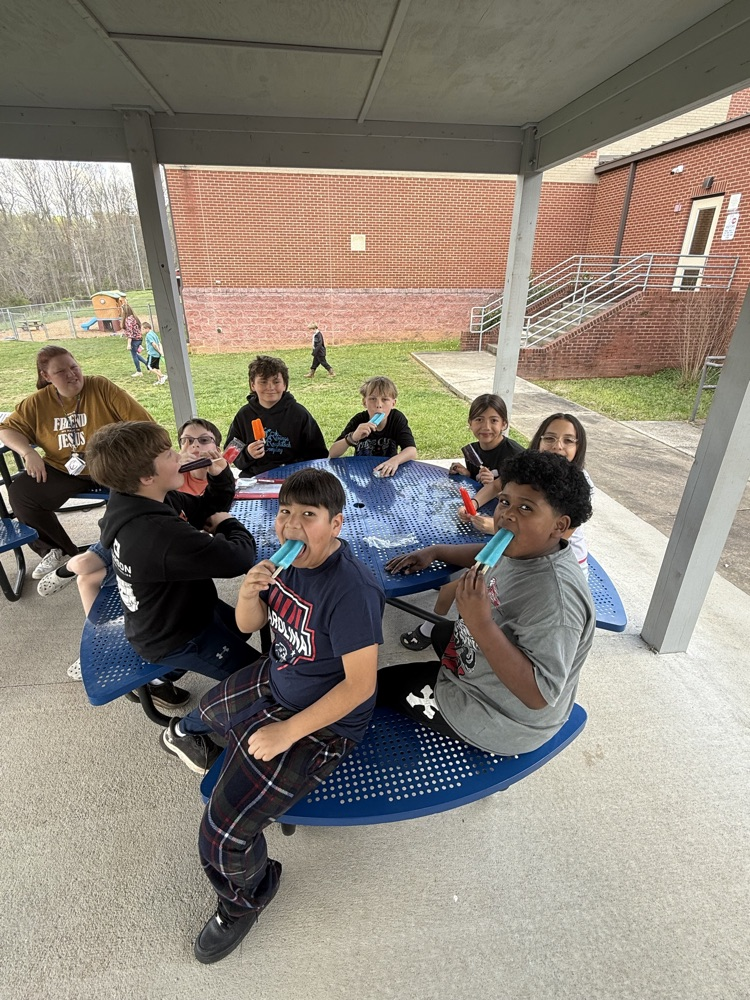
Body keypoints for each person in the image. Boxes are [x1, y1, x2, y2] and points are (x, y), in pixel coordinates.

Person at [161, 468, 385, 965]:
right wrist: (247, 593)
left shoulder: (352, 591)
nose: (292, 525)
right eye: (285, 512)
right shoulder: (281, 565)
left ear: (336, 524)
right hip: (277, 677)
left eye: (309, 515)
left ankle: (246, 899)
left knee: (221, 833)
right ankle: (211, 738)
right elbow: (248, 626)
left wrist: (286, 732)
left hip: (323, 723)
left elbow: (360, 686)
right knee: (206, 712)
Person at [381, 450, 595, 756]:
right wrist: (436, 551)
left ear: (560, 526)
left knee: (381, 684)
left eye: (526, 508)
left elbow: (539, 694)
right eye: (505, 502)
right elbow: (485, 552)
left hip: (503, 718)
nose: (507, 514)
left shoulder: (555, 601)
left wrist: (480, 623)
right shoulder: (524, 547)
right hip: (484, 668)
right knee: (442, 633)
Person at [37, 416, 226, 689]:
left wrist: (217, 475)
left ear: (217, 445)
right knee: (89, 566)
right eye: (185, 442)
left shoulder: (173, 475)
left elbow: (205, 507)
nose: (193, 448)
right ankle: (100, 645)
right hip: (137, 535)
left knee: (89, 574)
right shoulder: (164, 477)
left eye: (204, 440)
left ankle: (101, 643)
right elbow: (225, 553)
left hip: (145, 537)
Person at [86, 421, 259, 709]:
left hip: (183, 609)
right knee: (262, 679)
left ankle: (159, 679)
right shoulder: (156, 534)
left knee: (242, 627)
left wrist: (219, 477)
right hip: (177, 636)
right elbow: (238, 559)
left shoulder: (141, 497)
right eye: (169, 454)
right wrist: (229, 524)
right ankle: (186, 726)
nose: (180, 456)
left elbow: (204, 509)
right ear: (146, 476)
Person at [0, 346, 153, 580]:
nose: (71, 374)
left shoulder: (100, 387)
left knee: (134, 496)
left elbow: (143, 424)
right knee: (22, 493)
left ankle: (121, 551)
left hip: (109, 464)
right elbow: (7, 429)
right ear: (46, 376)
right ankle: (57, 550)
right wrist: (28, 452)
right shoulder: (38, 402)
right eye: (61, 371)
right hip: (64, 468)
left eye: (74, 367)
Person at [401, 393, 523, 649]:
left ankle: (428, 630)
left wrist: (493, 520)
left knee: (453, 587)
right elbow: (489, 486)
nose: (486, 426)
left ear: (505, 424)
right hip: (485, 521)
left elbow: (507, 491)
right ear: (470, 423)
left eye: (494, 420)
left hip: (505, 535)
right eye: (479, 419)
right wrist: (470, 483)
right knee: (448, 538)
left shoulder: (516, 457)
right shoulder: (473, 450)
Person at [471, 412, 592, 579]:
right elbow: (496, 486)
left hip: (557, 568)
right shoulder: (532, 470)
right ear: (539, 441)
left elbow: (558, 537)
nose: (557, 446)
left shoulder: (579, 485)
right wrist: (473, 503)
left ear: (579, 447)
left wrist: (496, 526)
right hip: (524, 555)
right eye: (549, 438)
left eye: (568, 441)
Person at [226, 355, 327, 477]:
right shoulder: (244, 415)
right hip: (253, 478)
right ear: (253, 385)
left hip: (292, 478)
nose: (270, 387)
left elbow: (318, 454)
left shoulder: (299, 414)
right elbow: (229, 456)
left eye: (276, 382)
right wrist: (247, 454)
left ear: (284, 385)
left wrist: (292, 467)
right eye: (263, 382)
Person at [328, 375, 417, 477]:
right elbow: (332, 453)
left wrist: (395, 461)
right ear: (364, 402)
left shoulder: (396, 419)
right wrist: (352, 438)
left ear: (393, 403)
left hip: (386, 472)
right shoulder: (359, 420)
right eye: (373, 399)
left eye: (385, 399)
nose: (378, 405)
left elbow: (411, 451)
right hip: (361, 473)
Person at [120, 300, 144, 377]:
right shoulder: (134, 318)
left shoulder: (128, 320)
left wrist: (129, 344)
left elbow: (130, 333)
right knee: (136, 354)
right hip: (139, 339)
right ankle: (148, 364)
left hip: (134, 340)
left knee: (134, 356)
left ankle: (139, 371)